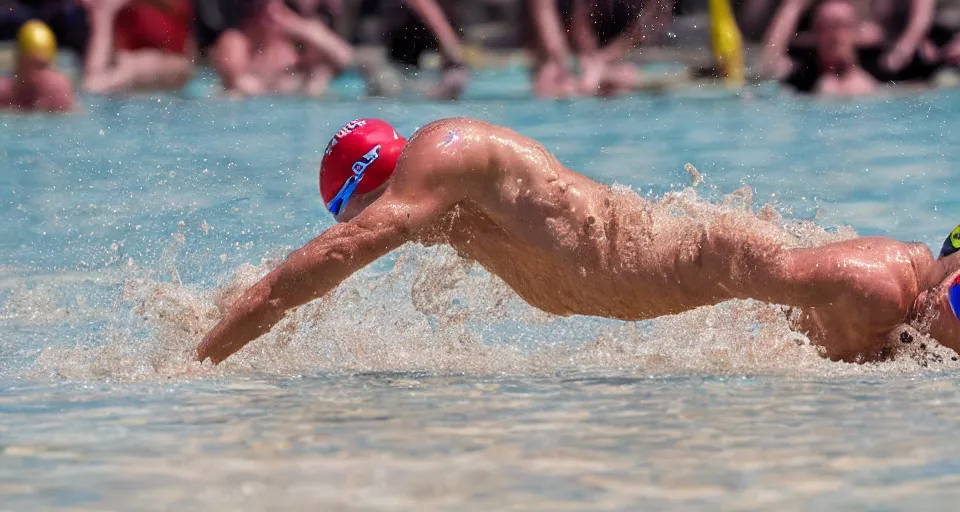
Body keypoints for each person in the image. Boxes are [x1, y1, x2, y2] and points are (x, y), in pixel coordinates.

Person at [195, 117, 960, 365]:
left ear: (368, 189)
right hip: (754, 288)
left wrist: (200, 358)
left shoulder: (443, 153)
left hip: (736, 264)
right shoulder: (460, 216)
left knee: (901, 300)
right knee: (903, 349)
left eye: (356, 214)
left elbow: (329, 262)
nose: (363, 233)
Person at [526, 0, 674, 98]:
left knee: (624, 79)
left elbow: (652, 20)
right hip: (569, 61)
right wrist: (571, 66)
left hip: (625, 58)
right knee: (553, 85)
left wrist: (601, 61)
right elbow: (549, 15)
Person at [209, 0, 352, 97]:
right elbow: (238, 85)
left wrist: (302, 27)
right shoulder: (235, 40)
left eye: (279, 7)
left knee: (320, 76)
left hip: (292, 108)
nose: (272, 12)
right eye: (264, 7)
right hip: (252, 112)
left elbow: (344, 57)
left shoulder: (296, 42)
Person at [81, 0, 196, 93]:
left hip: (166, 65)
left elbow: (186, 61)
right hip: (122, 66)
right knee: (97, 82)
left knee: (135, 66)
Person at [771, 0, 878, 96]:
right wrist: (793, 6)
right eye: (826, 27)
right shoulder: (799, 79)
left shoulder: (878, 70)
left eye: (842, 25)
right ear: (815, 34)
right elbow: (767, 70)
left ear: (857, 32)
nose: (835, 36)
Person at [0, 19, 75, 112]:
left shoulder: (57, 89)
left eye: (43, 67)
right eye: (34, 66)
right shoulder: (4, 92)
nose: (39, 74)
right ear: (19, 62)